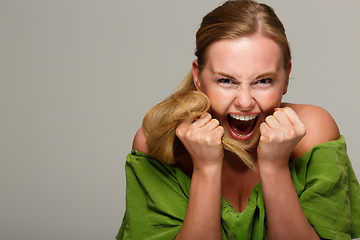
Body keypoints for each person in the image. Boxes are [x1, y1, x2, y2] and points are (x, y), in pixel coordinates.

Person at [117, 0, 360, 239]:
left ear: (285, 78)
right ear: (198, 77)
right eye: (226, 80)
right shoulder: (157, 143)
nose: (244, 102)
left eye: (263, 81)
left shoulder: (313, 133)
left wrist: (275, 167)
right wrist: (206, 169)